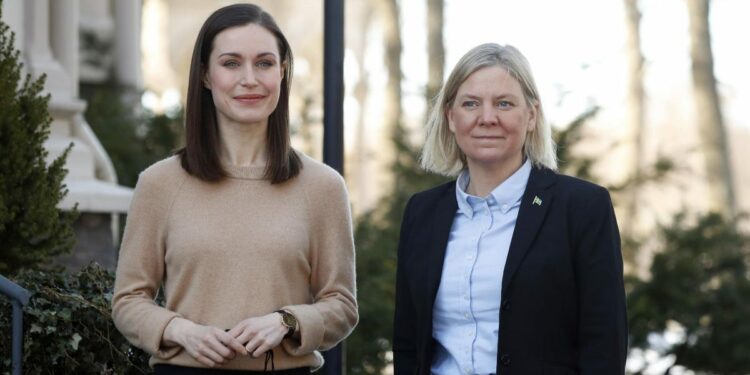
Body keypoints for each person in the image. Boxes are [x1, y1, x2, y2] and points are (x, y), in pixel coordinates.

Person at [112, 3, 357, 374]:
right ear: (206, 76)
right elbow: (128, 301)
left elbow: (341, 305)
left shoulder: (321, 187)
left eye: (264, 63)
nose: (250, 79)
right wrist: (180, 330)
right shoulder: (160, 184)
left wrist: (287, 321)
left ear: (282, 72)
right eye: (231, 63)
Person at [392, 43, 627, 375]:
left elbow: (605, 344)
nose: (487, 118)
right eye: (471, 104)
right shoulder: (421, 213)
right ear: (451, 117)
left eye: (504, 103)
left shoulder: (582, 208)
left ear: (531, 116)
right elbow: (407, 342)